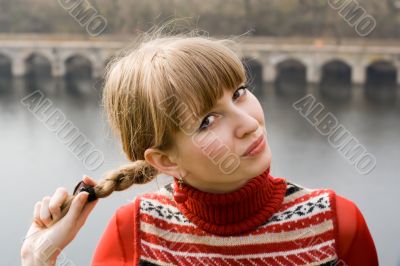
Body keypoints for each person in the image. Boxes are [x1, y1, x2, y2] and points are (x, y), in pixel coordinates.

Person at [21, 27, 379, 266]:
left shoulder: (335, 224)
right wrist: (39, 258)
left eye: (239, 93)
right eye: (207, 120)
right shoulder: (134, 232)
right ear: (164, 160)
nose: (249, 123)